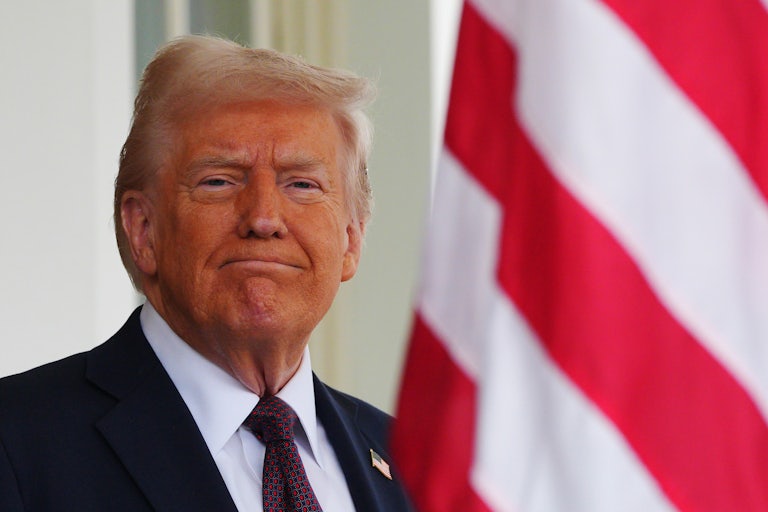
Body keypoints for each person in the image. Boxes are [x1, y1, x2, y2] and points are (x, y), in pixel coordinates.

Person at [0, 35, 414, 512]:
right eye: (219, 181)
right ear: (144, 230)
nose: (263, 218)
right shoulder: (18, 442)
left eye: (301, 184)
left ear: (351, 240)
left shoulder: (410, 467)